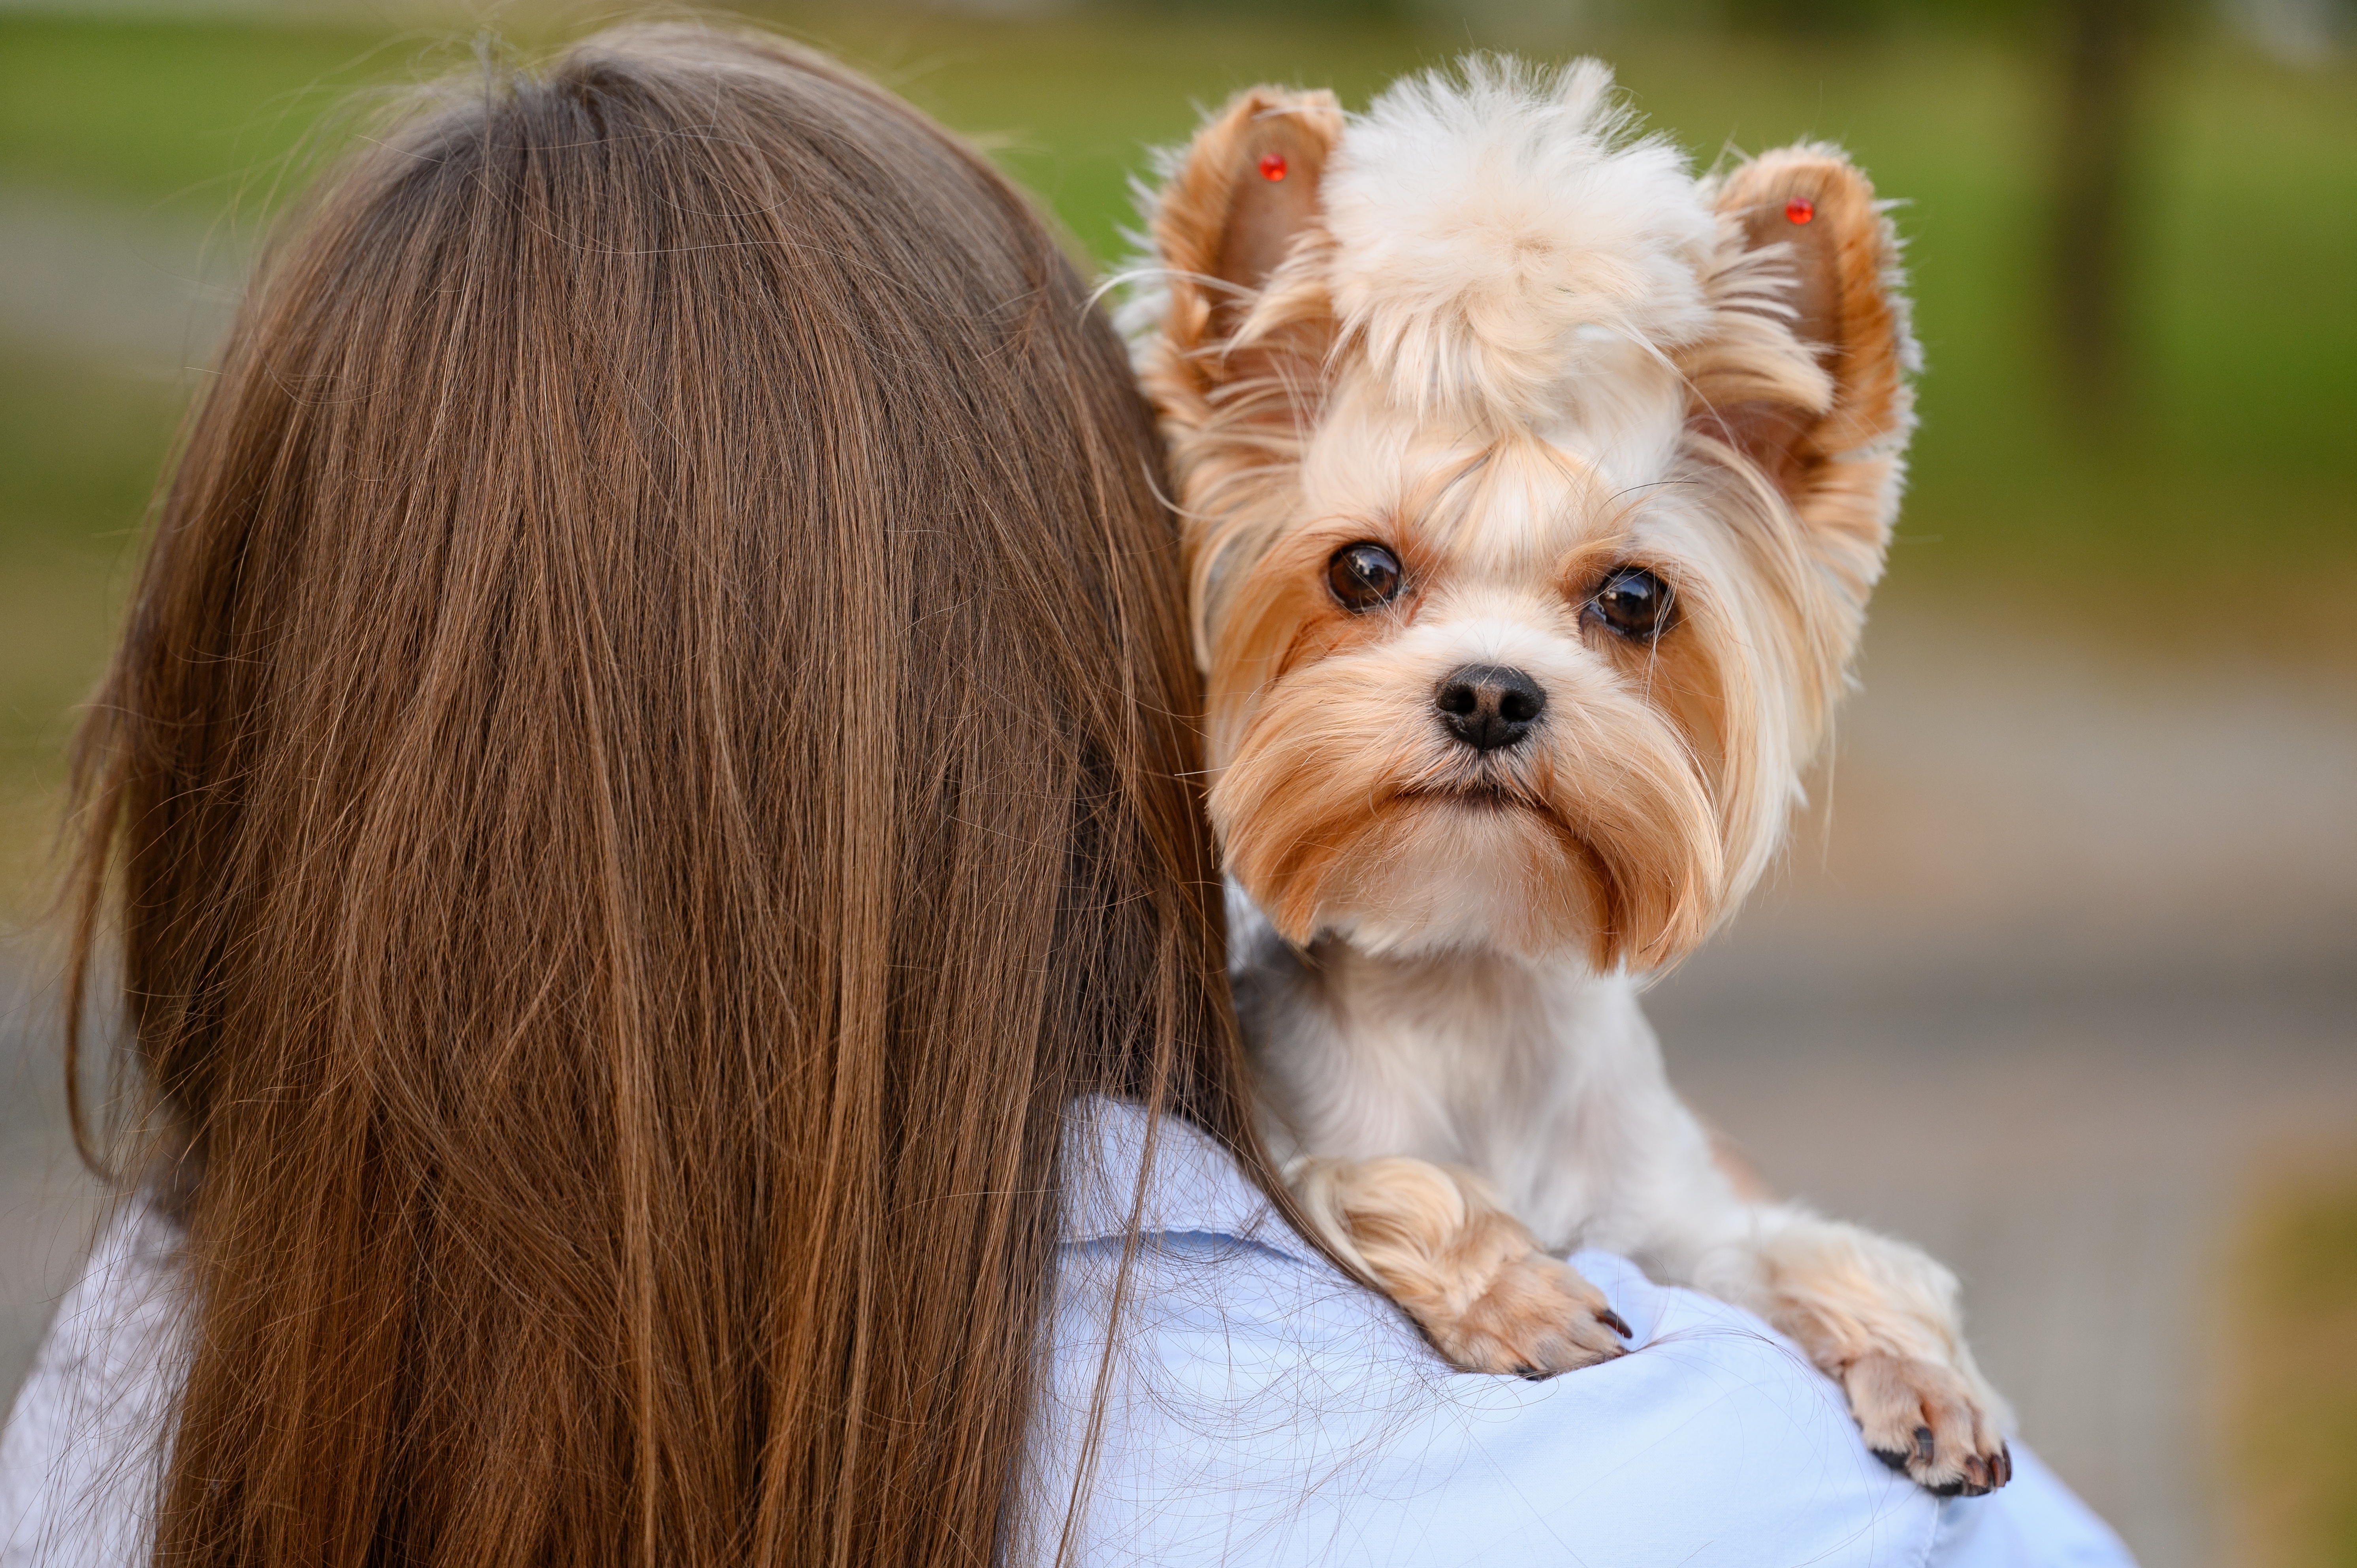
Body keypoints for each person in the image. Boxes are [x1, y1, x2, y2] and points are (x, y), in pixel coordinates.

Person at [0, 25, 2135, 1568]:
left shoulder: (102, 1413)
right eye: (1371, 581)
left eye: (1620, 604)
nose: (1491, 678)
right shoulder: (1739, 1500)